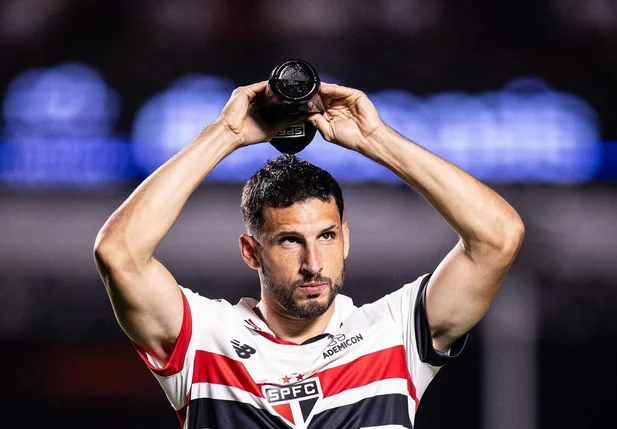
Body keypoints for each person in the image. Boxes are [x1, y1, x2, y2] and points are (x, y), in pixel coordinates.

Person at [94, 80, 525, 429]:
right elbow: (119, 254)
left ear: (347, 240)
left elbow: (498, 236)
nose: (313, 264)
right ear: (251, 252)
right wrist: (223, 136)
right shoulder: (206, 340)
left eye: (326, 237)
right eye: (289, 240)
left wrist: (376, 139)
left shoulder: (394, 334)